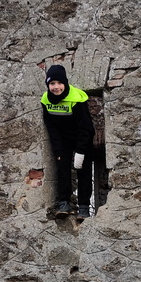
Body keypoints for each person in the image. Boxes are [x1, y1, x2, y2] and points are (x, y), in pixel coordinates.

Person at [41, 59, 95, 219]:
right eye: (52, 83)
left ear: (65, 83)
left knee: (83, 170)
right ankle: (64, 203)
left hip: (82, 137)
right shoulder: (46, 100)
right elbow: (51, 127)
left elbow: (86, 127)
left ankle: (84, 207)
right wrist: (58, 151)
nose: (56, 87)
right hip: (63, 139)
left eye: (59, 83)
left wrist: (80, 151)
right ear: (48, 85)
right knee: (62, 169)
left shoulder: (77, 98)